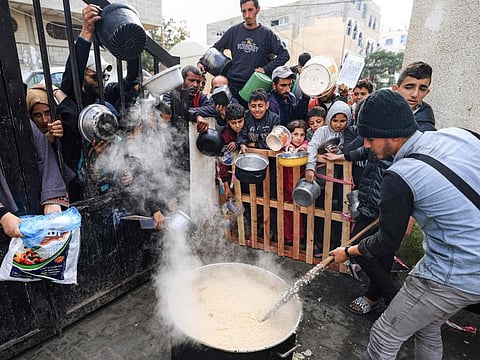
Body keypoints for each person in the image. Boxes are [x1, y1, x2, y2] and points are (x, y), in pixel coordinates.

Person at [328, 89, 480, 359]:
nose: (365, 145)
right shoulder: (460, 135)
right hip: (471, 266)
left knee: (385, 334)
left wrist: (348, 252)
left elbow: (386, 242)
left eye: (370, 138)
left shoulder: (400, 175)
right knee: (427, 324)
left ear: (393, 135)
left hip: (456, 272)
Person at [198, 0, 290, 107]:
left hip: (253, 88)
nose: (247, 15)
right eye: (244, 11)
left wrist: (266, 69)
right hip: (232, 86)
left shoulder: (266, 34)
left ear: (258, 9)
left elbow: (284, 55)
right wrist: (201, 62)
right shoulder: (234, 31)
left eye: (250, 10)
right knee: (232, 120)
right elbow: (215, 49)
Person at [283, 119, 308, 244]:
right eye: (295, 134)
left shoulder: (305, 147)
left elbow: (308, 145)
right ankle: (289, 237)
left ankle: (300, 236)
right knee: (288, 210)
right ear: (290, 135)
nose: (298, 138)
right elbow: (285, 146)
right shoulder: (286, 146)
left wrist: (302, 147)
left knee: (301, 211)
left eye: (302, 135)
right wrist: (290, 147)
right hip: (286, 184)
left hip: (300, 185)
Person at [393, 61, 436, 132]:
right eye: (409, 87)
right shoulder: (379, 109)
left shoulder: (425, 131)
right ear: (395, 89)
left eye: (422, 89)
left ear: (426, 92)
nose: (415, 94)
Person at [217, 103, 246, 200]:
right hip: (234, 176)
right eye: (233, 123)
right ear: (228, 122)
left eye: (240, 121)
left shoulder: (248, 127)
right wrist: (226, 185)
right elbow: (223, 163)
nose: (238, 125)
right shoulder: (225, 136)